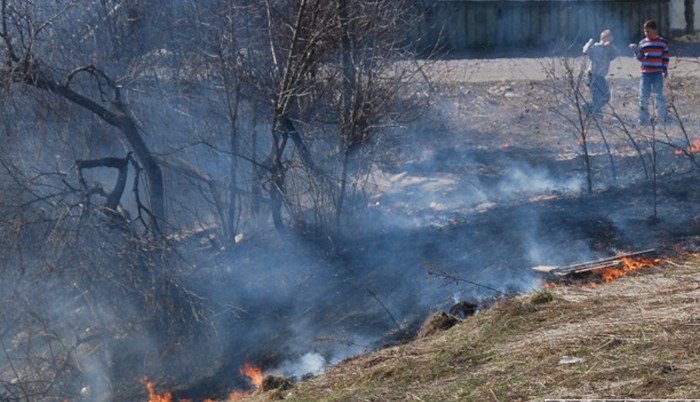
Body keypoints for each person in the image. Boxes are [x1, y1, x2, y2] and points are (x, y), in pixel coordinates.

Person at [629, 19, 670, 125]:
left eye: (649, 31)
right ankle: (643, 119)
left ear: (655, 30)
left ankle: (662, 118)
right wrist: (635, 50)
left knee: (658, 95)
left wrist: (665, 69)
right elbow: (640, 58)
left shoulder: (662, 42)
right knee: (643, 96)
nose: (646, 33)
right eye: (645, 31)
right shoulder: (642, 42)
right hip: (645, 73)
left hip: (657, 73)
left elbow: (665, 57)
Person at [582, 29, 618, 118]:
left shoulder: (609, 49)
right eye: (609, 39)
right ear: (604, 38)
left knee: (606, 96)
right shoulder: (595, 48)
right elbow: (585, 51)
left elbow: (615, 54)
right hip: (593, 75)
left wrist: (609, 47)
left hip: (601, 76)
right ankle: (595, 112)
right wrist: (590, 42)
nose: (610, 42)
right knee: (597, 96)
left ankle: (588, 106)